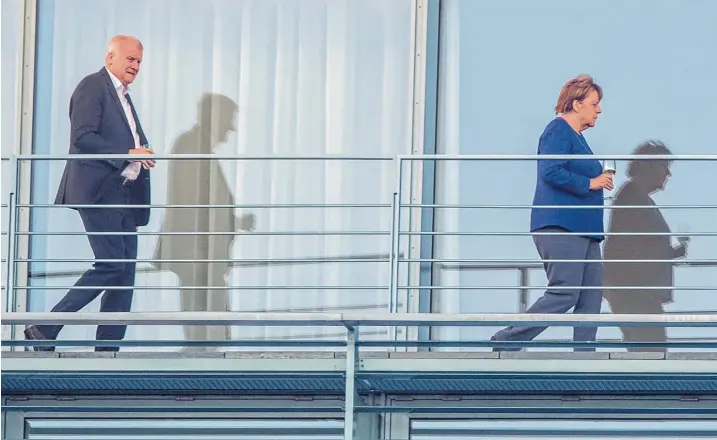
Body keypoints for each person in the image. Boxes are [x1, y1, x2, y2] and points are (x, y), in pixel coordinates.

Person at [24, 35, 155, 351]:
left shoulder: (124, 96)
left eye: (139, 61)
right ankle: (44, 328)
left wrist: (141, 153)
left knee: (124, 275)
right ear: (110, 57)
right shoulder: (92, 86)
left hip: (125, 196)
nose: (135, 66)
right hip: (100, 192)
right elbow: (82, 138)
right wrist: (129, 151)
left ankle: (107, 353)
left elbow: (125, 140)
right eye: (130, 60)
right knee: (111, 265)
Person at [491, 74, 613, 351]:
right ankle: (508, 340)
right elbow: (550, 170)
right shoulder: (558, 130)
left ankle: (585, 354)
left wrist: (597, 180)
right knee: (565, 291)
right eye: (594, 104)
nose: (599, 110)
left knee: (590, 296)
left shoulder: (579, 138)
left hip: (586, 230)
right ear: (577, 104)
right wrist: (590, 182)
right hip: (562, 226)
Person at [152, 93, 255, 350]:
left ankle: (204, 359)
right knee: (205, 323)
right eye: (228, 120)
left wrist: (233, 220)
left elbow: (203, 205)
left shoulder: (195, 146)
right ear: (214, 118)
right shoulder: (191, 146)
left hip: (201, 253)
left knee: (210, 323)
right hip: (198, 254)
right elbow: (191, 204)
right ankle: (201, 366)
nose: (231, 128)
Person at [603, 141, 686, 353]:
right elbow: (626, 247)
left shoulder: (638, 197)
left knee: (651, 352)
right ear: (649, 166)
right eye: (664, 165)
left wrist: (671, 252)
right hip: (635, 293)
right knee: (651, 353)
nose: (668, 173)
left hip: (640, 291)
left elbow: (640, 246)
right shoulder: (631, 196)